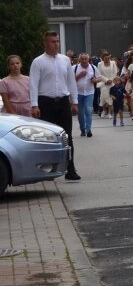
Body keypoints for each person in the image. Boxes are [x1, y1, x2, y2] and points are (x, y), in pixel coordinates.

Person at [29, 31, 81, 181]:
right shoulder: (38, 62)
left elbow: (71, 82)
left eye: (57, 41)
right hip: (45, 102)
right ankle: (47, 171)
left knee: (67, 137)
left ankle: (70, 170)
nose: (56, 44)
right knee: (46, 138)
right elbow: (33, 84)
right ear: (45, 43)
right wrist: (34, 105)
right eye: (52, 41)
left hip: (63, 101)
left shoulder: (65, 60)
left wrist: (75, 101)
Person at [73, 53, 100, 137]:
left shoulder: (93, 67)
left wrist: (95, 80)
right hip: (78, 93)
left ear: (88, 59)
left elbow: (99, 77)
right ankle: (82, 129)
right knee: (80, 113)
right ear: (79, 60)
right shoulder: (74, 68)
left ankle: (88, 130)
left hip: (89, 92)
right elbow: (70, 80)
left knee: (88, 110)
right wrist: (79, 75)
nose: (84, 61)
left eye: (86, 59)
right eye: (82, 59)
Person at [97, 51, 118, 119]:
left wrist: (111, 80)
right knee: (103, 97)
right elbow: (99, 74)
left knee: (110, 97)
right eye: (105, 58)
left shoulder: (113, 63)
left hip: (111, 83)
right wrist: (106, 80)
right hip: (103, 83)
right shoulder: (99, 64)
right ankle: (104, 110)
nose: (107, 59)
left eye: (108, 58)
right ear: (103, 58)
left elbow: (115, 72)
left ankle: (109, 113)